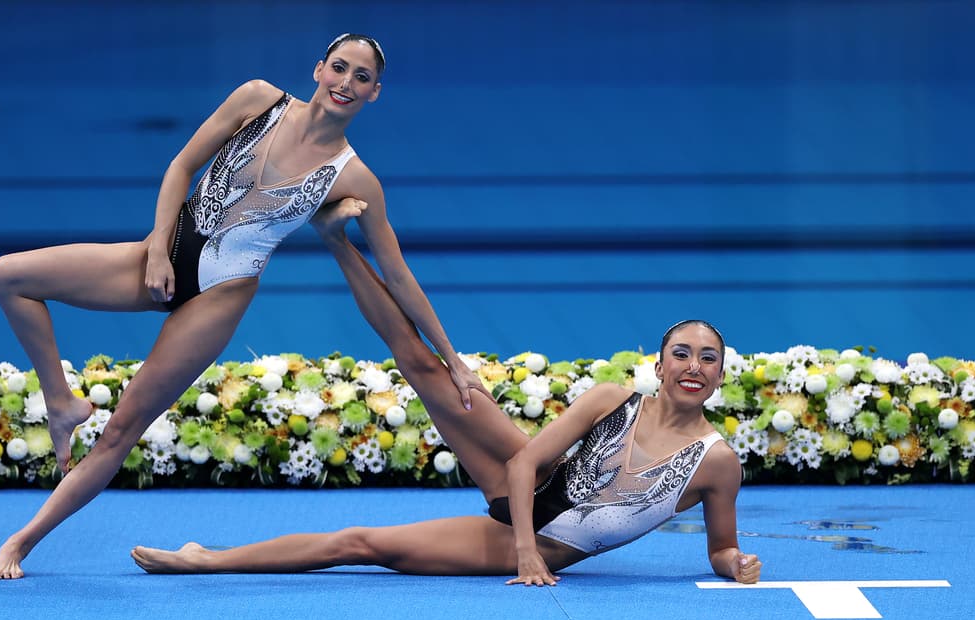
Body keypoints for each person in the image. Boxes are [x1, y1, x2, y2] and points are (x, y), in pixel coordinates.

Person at [0, 34, 486, 579]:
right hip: (161, 254)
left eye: (361, 78)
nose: (346, 83)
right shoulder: (258, 99)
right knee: (8, 276)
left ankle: (21, 542)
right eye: (339, 68)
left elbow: (398, 276)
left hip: (221, 295)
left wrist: (454, 361)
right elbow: (181, 166)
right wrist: (157, 249)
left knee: (122, 429)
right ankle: (62, 403)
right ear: (318, 69)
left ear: (374, 93)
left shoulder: (354, 176)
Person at [130, 203, 762, 585]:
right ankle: (334, 240)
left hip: (547, 543)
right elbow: (523, 462)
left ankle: (208, 561)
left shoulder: (717, 461)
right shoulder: (611, 399)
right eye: (682, 353)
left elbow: (720, 547)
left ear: (720, 374)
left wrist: (735, 565)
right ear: (660, 362)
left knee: (361, 544)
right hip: (525, 506)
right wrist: (523, 556)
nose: (693, 366)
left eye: (708, 359)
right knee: (424, 366)